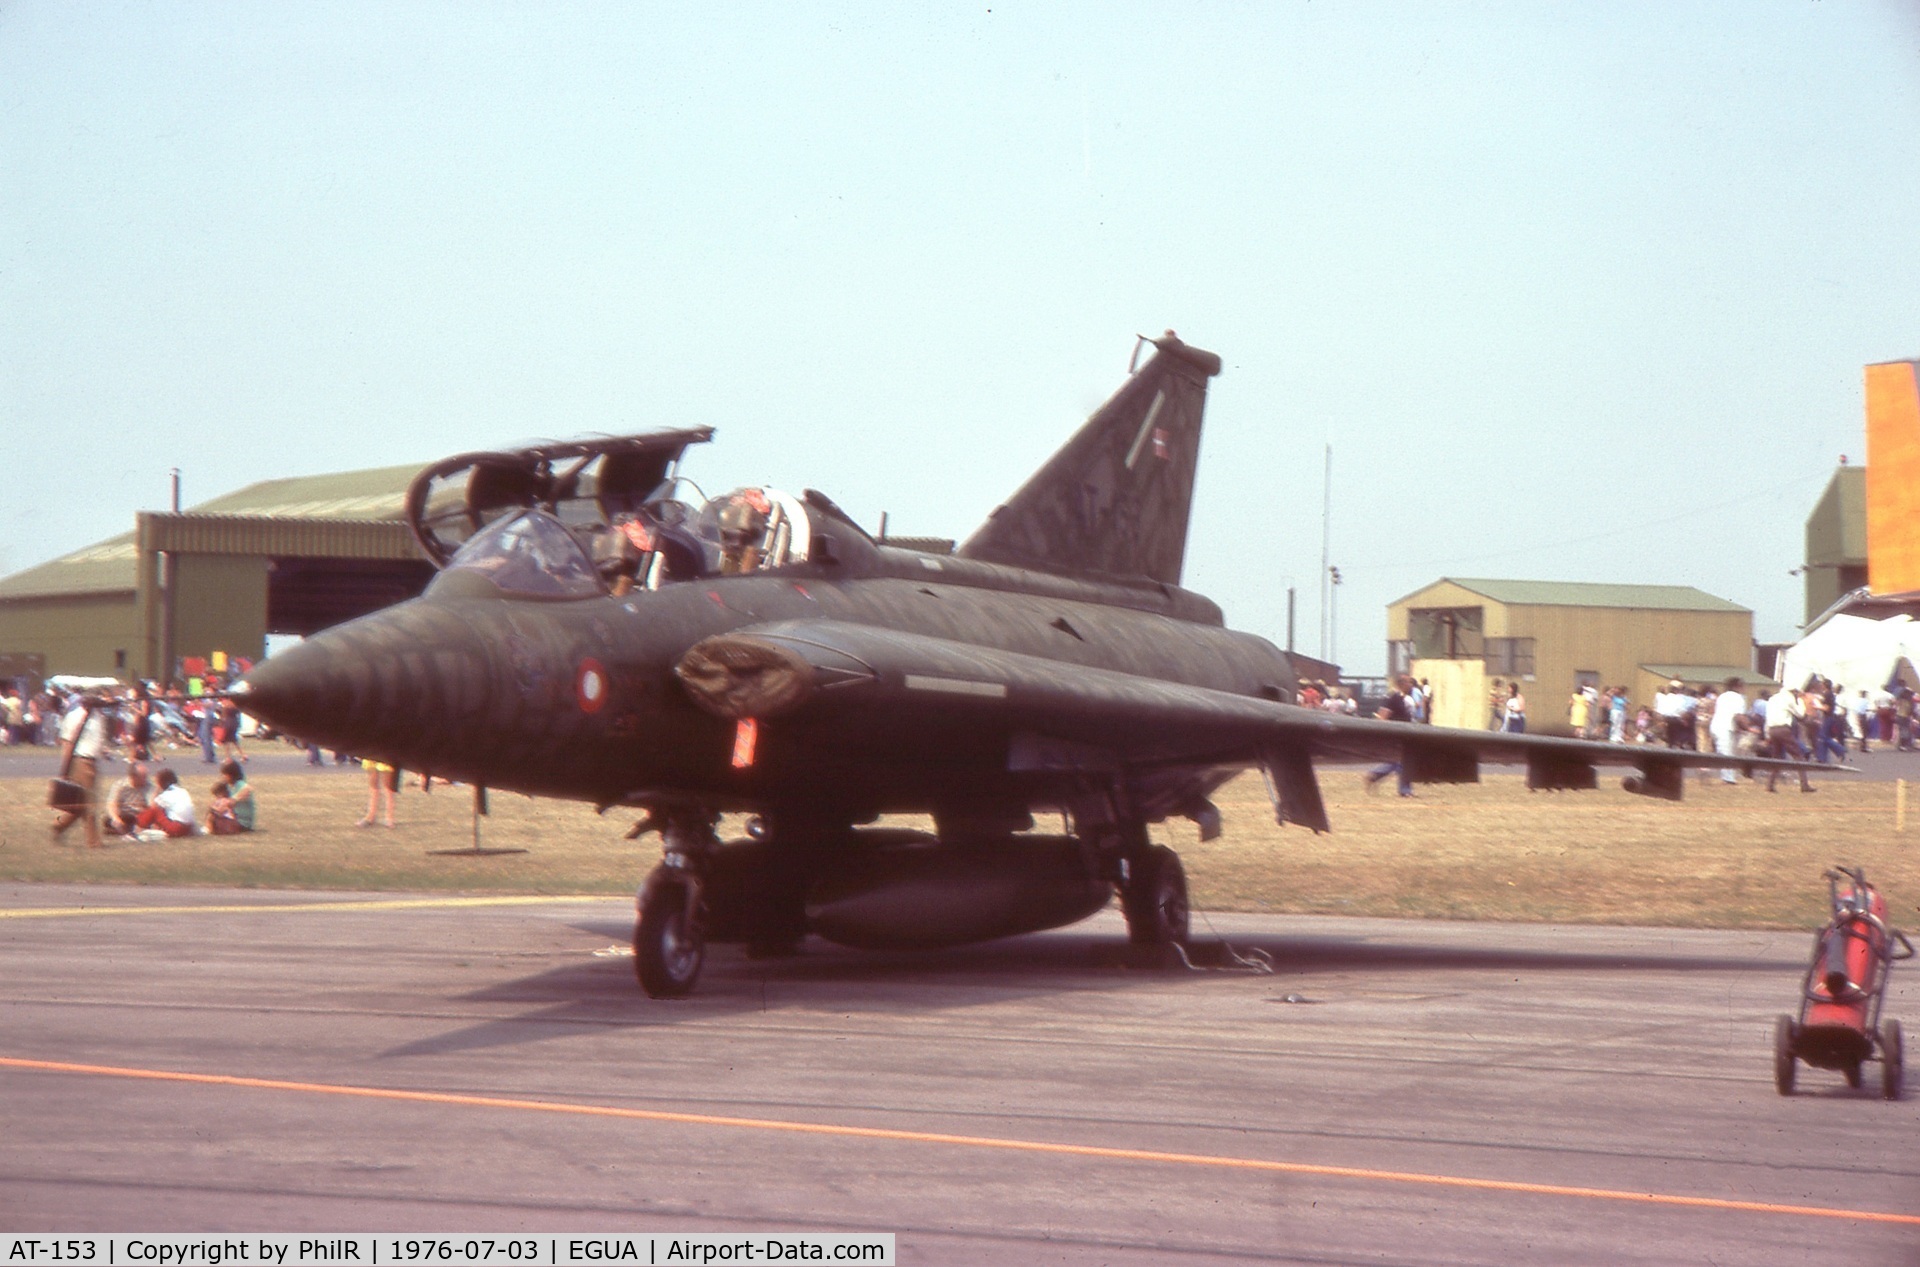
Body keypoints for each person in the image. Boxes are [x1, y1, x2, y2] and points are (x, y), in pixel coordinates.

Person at [52, 692, 112, 848]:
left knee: (82, 803)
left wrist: (103, 751)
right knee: (89, 802)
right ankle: (93, 841)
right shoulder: (74, 716)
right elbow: (68, 744)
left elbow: (97, 739)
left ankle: (59, 826)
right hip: (80, 761)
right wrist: (64, 769)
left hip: (92, 761)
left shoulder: (98, 716)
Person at [1364, 674, 1416, 796]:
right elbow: (1383, 716)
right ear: (1401, 684)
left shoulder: (1400, 698)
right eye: (1408, 682)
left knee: (1396, 761)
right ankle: (1404, 790)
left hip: (1404, 733)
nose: (1410, 685)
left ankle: (1374, 776)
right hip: (1397, 734)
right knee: (1402, 761)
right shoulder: (1393, 698)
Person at [1765, 688, 1814, 793]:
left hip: (1772, 729)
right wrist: (1801, 701)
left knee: (1777, 757)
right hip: (1784, 729)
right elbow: (1800, 714)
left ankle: (1770, 784)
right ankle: (1804, 785)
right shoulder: (1788, 699)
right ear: (1793, 692)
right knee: (1798, 756)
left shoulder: (1773, 698)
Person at [134, 768, 197, 838]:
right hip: (188, 828)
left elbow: (152, 806)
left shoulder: (166, 795)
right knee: (163, 811)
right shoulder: (183, 791)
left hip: (176, 828)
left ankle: (138, 825)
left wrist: (157, 789)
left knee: (154, 811)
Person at [1708, 677, 1745, 785]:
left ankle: (1728, 776)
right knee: (1727, 753)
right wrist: (1748, 728)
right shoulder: (1738, 698)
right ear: (1736, 687)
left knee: (1724, 752)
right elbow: (1738, 716)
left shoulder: (1722, 696)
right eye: (1741, 686)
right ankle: (1728, 778)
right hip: (1726, 728)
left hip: (1715, 725)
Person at [103, 761, 153, 837]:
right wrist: (116, 819)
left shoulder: (149, 786)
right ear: (133, 776)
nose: (146, 779)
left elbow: (151, 806)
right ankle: (123, 828)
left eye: (146, 776)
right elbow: (112, 804)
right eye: (143, 777)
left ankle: (124, 829)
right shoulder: (120, 785)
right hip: (124, 816)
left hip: (140, 816)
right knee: (107, 820)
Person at [208, 759, 256, 834]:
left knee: (213, 817)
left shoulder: (239, 784)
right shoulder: (228, 786)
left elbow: (248, 789)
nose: (222, 777)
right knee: (212, 812)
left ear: (231, 775)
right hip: (234, 819)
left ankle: (208, 830)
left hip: (243, 823)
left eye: (224, 774)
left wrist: (233, 800)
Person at [360, 759, 400, 828]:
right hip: (371, 754)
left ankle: (389, 818)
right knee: (373, 783)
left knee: (388, 785)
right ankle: (370, 816)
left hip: (386, 754)